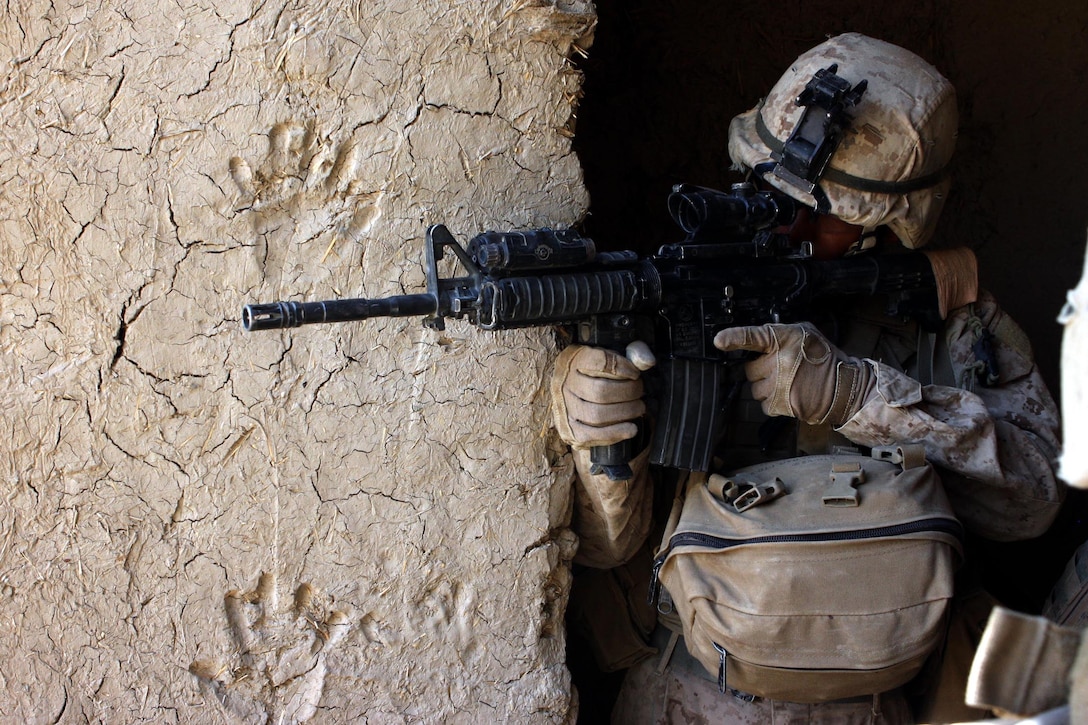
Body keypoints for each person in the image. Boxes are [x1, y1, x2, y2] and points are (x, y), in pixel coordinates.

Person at [552, 33, 1064, 723]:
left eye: (825, 217)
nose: (789, 228)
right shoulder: (676, 297)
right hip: (686, 697)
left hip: (871, 702)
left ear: (892, 228)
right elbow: (602, 547)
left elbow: (1032, 501)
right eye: (769, 194)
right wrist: (597, 439)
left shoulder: (945, 313)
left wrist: (864, 396)